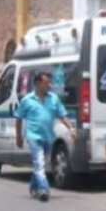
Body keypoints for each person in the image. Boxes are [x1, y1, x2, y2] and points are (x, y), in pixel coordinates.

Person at [15, 71, 77, 202]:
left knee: (41, 165)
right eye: (46, 83)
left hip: (48, 137)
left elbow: (62, 115)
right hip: (33, 137)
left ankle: (34, 186)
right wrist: (18, 137)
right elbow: (19, 118)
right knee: (40, 163)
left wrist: (71, 128)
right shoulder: (27, 100)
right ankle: (44, 190)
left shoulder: (53, 99)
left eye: (50, 83)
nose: (50, 85)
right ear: (37, 84)